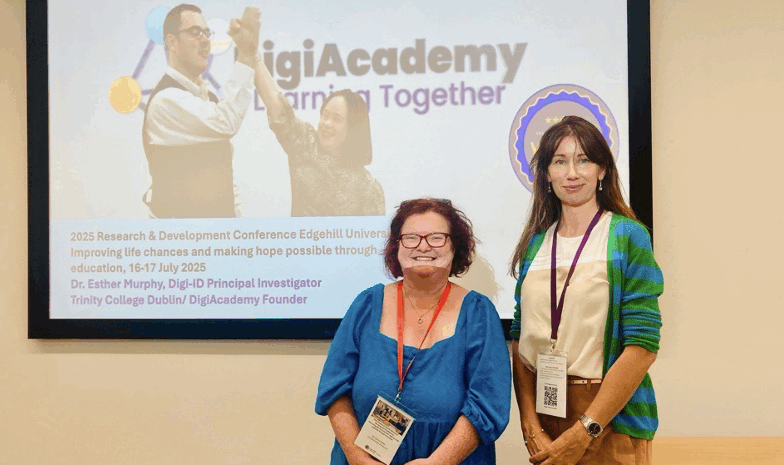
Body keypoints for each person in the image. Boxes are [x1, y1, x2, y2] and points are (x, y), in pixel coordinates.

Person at [509, 116, 663, 464]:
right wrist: (529, 423)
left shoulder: (628, 237)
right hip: (547, 413)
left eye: (583, 160)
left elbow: (643, 347)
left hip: (610, 419)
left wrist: (585, 430)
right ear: (546, 174)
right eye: (559, 162)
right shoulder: (535, 244)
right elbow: (520, 338)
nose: (572, 173)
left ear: (602, 170)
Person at [316, 198, 510, 465]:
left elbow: (488, 405)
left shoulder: (478, 313)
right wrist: (357, 458)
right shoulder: (366, 304)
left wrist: (437, 463)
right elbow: (334, 390)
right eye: (411, 238)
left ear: (455, 246)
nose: (423, 246)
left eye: (437, 238)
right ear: (397, 247)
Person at [142, 4, 260, 218]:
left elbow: (225, 178)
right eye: (195, 32)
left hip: (217, 234)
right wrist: (246, 54)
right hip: (181, 236)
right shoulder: (165, 100)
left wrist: (241, 228)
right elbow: (226, 122)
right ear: (172, 42)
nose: (205, 40)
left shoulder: (209, 98)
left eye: (207, 32)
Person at [248, 40, 384, 216]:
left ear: (353, 128)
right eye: (325, 115)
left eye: (336, 119)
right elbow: (278, 107)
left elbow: (374, 233)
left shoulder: (368, 188)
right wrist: (251, 54)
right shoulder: (306, 145)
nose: (326, 123)